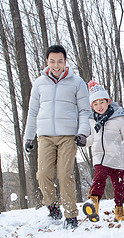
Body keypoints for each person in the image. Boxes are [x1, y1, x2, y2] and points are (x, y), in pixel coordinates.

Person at [24, 45, 91, 228]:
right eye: (52, 61)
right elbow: (33, 112)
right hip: (45, 136)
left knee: (64, 174)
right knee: (43, 174)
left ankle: (71, 215)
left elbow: (85, 111)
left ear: (65, 61)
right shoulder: (39, 83)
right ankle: (52, 207)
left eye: (60, 61)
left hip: (68, 136)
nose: (56, 65)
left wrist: (82, 132)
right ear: (47, 62)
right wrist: (28, 137)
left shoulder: (77, 82)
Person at [82, 81, 124, 222]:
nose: (99, 106)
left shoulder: (119, 118)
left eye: (101, 102)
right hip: (100, 157)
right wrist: (83, 141)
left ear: (108, 101)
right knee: (99, 178)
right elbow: (91, 139)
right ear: (92, 106)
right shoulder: (91, 120)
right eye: (95, 104)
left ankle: (119, 209)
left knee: (119, 186)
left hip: (117, 158)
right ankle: (93, 203)